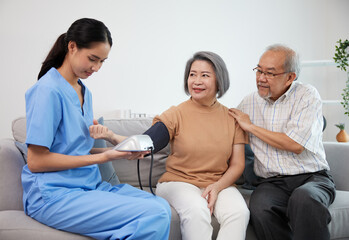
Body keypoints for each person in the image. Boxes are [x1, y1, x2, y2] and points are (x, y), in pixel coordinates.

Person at [22, 18, 171, 240]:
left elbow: (74, 150)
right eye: (93, 59)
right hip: (54, 193)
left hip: (88, 186)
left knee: (161, 206)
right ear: (72, 46)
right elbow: (36, 161)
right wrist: (106, 157)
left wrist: (119, 152)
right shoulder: (47, 90)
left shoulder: (85, 92)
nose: (97, 68)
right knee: (155, 214)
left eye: (102, 61)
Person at [97, 51, 250, 240]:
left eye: (205, 75)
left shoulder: (232, 118)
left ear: (219, 80)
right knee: (197, 211)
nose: (196, 81)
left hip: (219, 183)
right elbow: (146, 143)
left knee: (239, 213)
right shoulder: (176, 114)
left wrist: (217, 187)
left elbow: (237, 165)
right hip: (178, 183)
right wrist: (111, 136)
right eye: (192, 74)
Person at [229, 44, 336, 240]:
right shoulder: (248, 102)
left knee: (304, 199)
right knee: (260, 206)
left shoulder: (307, 95)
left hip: (312, 177)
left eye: (269, 73)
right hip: (271, 183)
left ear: (290, 77)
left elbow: (295, 145)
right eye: (259, 70)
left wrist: (251, 126)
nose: (261, 78)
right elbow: (224, 126)